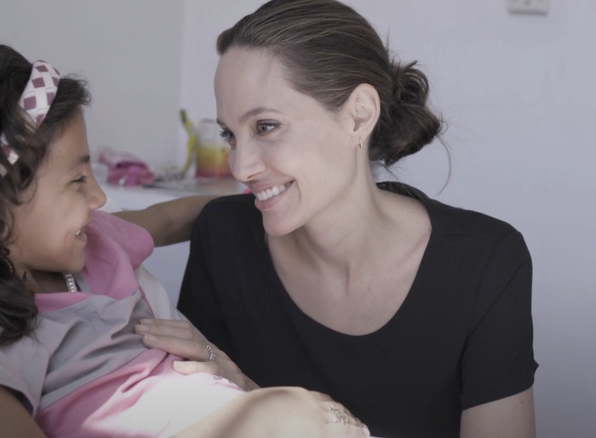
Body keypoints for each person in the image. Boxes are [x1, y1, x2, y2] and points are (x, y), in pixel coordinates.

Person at [0, 40, 371, 438]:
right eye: (77, 180)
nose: (101, 198)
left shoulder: (93, 243)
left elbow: (172, 217)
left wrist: (271, 201)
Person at [134, 1, 538, 437]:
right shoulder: (226, 239)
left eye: (266, 126)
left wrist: (259, 396)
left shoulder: (484, 263)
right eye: (230, 135)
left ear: (359, 115)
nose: (240, 166)